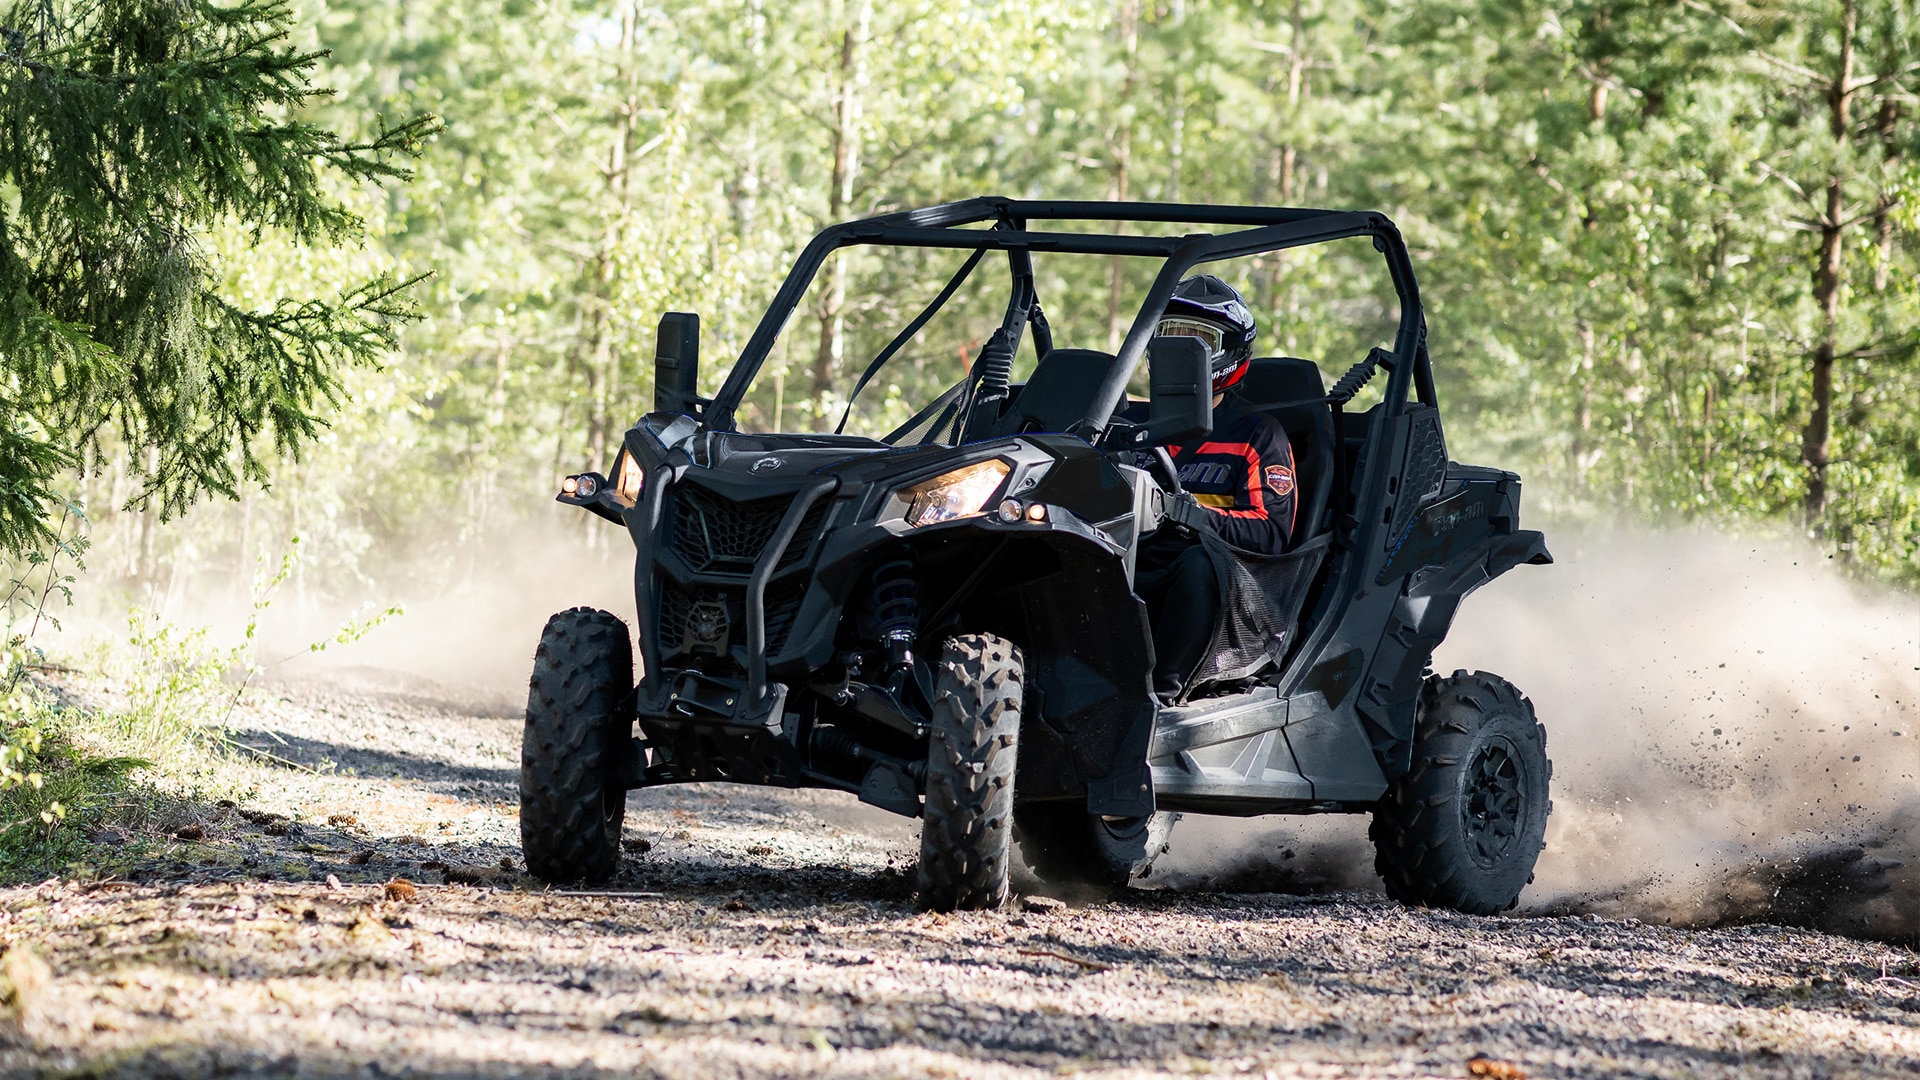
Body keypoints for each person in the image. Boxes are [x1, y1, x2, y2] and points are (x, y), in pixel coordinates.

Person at [1134, 275, 1298, 703]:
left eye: (1199, 340)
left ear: (1231, 352)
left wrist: (1190, 515)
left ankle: (1162, 696)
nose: (1181, 350)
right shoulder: (1131, 426)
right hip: (1134, 558)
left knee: (1198, 563)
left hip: (1226, 590)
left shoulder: (1257, 434)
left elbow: (1270, 533)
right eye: (1171, 335)